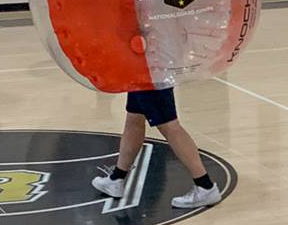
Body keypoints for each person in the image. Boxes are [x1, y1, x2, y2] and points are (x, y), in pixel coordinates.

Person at [92, 88, 221, 211]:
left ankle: (205, 186)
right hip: (139, 73)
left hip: (149, 74)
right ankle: (116, 179)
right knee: (134, 117)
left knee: (168, 125)